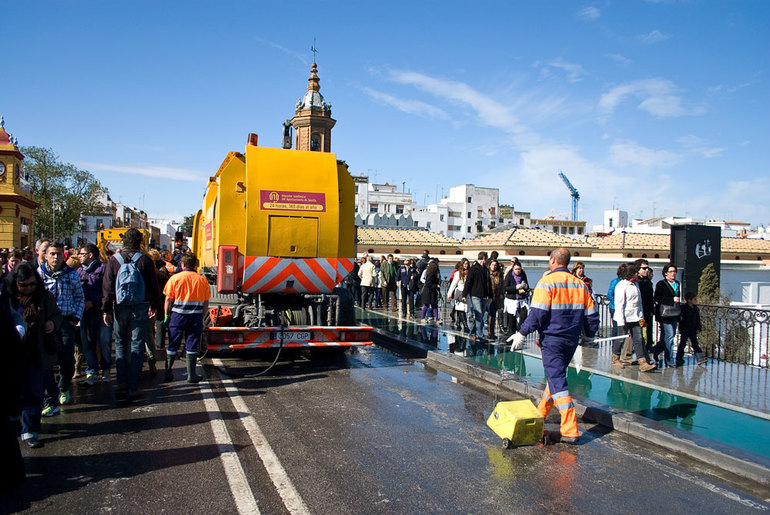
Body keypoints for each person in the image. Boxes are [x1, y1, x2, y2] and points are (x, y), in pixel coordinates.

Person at [508, 248, 599, 443]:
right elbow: (592, 315)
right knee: (555, 377)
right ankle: (540, 414)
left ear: (552, 261)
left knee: (557, 379)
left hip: (552, 340)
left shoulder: (546, 282)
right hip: (571, 340)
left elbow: (537, 314)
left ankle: (569, 428)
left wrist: (522, 333)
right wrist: (589, 335)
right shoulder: (580, 285)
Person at [5, 262, 62, 445]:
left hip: (36, 352)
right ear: (16, 284)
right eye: (24, 285)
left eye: (32, 284)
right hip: (12, 354)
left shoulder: (44, 297)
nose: (29, 288)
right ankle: (14, 424)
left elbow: (56, 315)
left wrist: (52, 323)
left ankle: (30, 431)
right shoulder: (7, 299)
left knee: (34, 391)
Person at [102, 228, 161, 400]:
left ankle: (121, 382)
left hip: (120, 307)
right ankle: (134, 386)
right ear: (140, 242)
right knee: (137, 345)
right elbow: (153, 286)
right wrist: (154, 305)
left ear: (123, 241)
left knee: (120, 344)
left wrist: (106, 309)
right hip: (140, 306)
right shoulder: (145, 261)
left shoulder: (114, 260)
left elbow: (107, 287)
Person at [38, 243, 84, 409]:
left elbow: (79, 297)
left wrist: (75, 318)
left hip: (66, 321)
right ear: (46, 256)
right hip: (46, 324)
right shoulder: (40, 274)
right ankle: (49, 396)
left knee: (66, 360)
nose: (55, 257)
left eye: (58, 254)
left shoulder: (71, 274)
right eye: (52, 254)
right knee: (47, 361)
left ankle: (63, 387)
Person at [163, 252, 210, 383]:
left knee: (173, 344)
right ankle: (192, 375)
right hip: (195, 316)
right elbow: (206, 303)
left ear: (182, 264)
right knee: (192, 345)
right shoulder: (202, 280)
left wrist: (167, 315)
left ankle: (167, 373)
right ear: (195, 265)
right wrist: (202, 316)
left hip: (177, 316)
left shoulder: (175, 279)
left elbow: (168, 299)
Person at [77, 244, 113, 385]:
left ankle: (105, 369)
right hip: (85, 313)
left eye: (82, 253)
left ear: (90, 255)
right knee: (87, 343)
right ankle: (91, 371)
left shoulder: (103, 269)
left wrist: (93, 302)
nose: (79, 256)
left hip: (101, 311)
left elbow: (108, 291)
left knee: (105, 342)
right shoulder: (79, 271)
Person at [612, 263, 656, 372]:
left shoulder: (635, 285)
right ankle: (615, 357)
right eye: (635, 272)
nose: (637, 274)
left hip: (635, 317)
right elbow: (619, 304)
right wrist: (621, 320)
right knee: (621, 338)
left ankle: (643, 362)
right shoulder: (621, 285)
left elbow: (639, 303)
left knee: (639, 339)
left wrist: (641, 316)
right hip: (625, 318)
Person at [654, 263, 681, 367]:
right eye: (671, 271)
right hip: (665, 314)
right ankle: (669, 360)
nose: (673, 273)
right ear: (665, 273)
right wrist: (671, 300)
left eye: (674, 271)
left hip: (674, 313)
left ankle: (656, 350)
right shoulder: (661, 284)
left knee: (670, 336)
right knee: (669, 336)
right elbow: (657, 298)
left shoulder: (677, 284)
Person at [462, 251, 491, 341]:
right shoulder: (474, 269)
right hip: (475, 295)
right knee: (479, 315)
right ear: (484, 258)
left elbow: (488, 284)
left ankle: (472, 332)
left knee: (480, 316)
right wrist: (464, 294)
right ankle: (480, 335)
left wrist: (490, 295)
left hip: (484, 295)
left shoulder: (486, 270)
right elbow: (468, 282)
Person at [677, 292, 708, 367]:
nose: (696, 300)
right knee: (683, 344)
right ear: (689, 300)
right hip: (685, 328)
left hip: (693, 329)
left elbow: (698, 319)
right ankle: (679, 358)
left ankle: (700, 358)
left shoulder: (695, 308)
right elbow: (680, 318)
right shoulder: (683, 308)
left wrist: (698, 328)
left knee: (695, 343)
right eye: (694, 299)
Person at [502, 262, 529, 340]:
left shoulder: (523, 275)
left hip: (521, 300)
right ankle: (511, 334)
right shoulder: (509, 276)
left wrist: (525, 286)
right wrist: (517, 287)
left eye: (519, 269)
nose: (518, 271)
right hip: (512, 300)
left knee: (524, 315)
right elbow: (505, 287)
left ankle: (519, 331)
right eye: (516, 269)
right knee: (512, 319)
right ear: (513, 269)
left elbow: (527, 285)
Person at [447, 258, 470, 331]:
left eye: (467, 264)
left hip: (467, 293)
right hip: (460, 292)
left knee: (463, 309)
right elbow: (453, 284)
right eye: (465, 264)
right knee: (461, 309)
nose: (466, 265)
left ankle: (458, 322)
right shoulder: (458, 274)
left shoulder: (470, 272)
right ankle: (465, 325)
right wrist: (449, 294)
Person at [487, 259, 504, 340]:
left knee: (494, 314)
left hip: (497, 297)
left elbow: (502, 285)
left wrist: (501, 293)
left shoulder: (499, 275)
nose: (494, 267)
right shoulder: (487, 274)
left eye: (495, 265)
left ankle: (492, 331)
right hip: (489, 296)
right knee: (491, 313)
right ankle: (490, 332)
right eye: (492, 265)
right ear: (490, 265)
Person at [607, 264, 625, 339]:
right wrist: (616, 303)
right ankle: (614, 343)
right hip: (614, 307)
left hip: (622, 307)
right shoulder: (615, 281)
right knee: (616, 326)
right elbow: (609, 294)